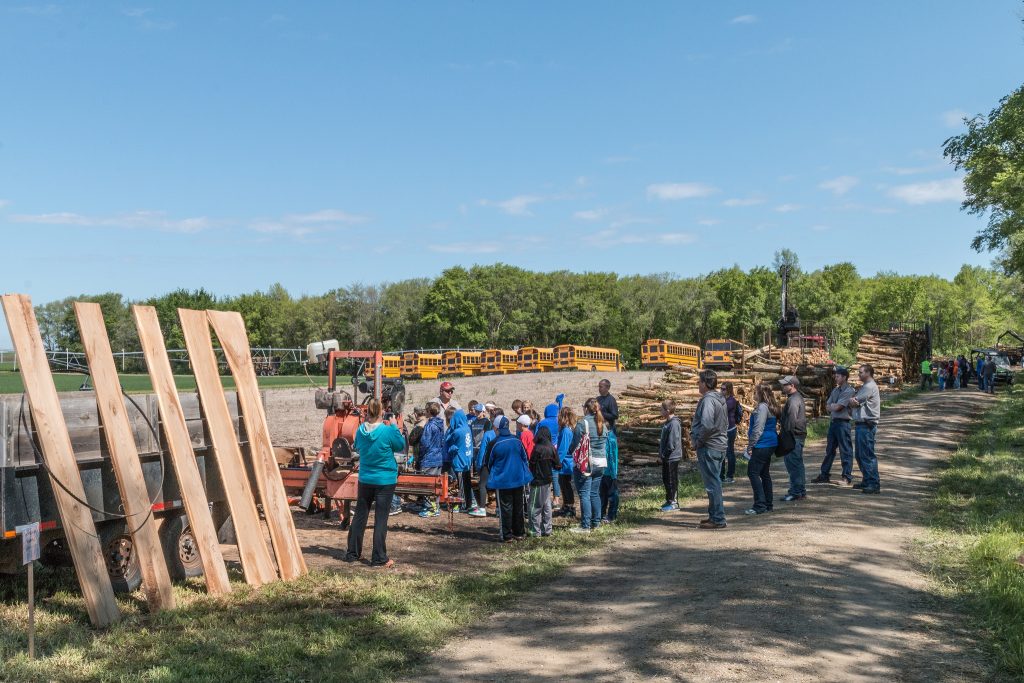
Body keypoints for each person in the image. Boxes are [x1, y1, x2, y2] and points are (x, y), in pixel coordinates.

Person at [345, 398, 405, 568]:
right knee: (381, 519)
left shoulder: (360, 431)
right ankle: (378, 557)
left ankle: (352, 553)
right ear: (382, 412)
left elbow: (357, 446)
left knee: (360, 516)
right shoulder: (387, 431)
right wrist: (394, 425)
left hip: (365, 478)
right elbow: (400, 445)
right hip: (385, 479)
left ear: (367, 412)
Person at [482, 415, 533, 541]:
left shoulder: (494, 443)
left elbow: (487, 462)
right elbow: (525, 458)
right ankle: (519, 533)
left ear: (497, 428)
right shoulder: (517, 440)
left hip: (502, 480)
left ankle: (507, 535)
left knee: (505, 508)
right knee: (518, 506)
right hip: (518, 479)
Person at [691, 369, 728, 529]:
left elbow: (707, 424)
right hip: (718, 445)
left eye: (699, 382)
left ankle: (718, 518)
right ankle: (713, 515)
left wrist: (699, 441)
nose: (698, 385)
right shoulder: (720, 399)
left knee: (713, 484)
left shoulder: (708, 401)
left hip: (709, 446)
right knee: (714, 482)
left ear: (706, 383)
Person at [569, 397, 608, 533]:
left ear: (586, 408)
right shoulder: (602, 423)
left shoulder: (583, 423)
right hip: (601, 462)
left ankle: (585, 525)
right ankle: (596, 522)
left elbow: (574, 443)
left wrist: (570, 453)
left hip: (587, 463)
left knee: (584, 493)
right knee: (594, 493)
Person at [812, 366, 855, 486]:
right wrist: (833, 406)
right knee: (829, 450)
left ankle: (846, 477)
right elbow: (827, 405)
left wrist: (833, 406)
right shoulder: (836, 390)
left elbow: (838, 407)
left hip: (843, 423)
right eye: (835, 376)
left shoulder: (849, 391)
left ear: (844, 377)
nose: (835, 378)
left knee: (845, 450)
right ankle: (824, 474)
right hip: (834, 423)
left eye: (837, 376)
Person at [744, 384, 780, 515]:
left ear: (760, 393)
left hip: (763, 443)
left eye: (755, 392)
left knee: (752, 472)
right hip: (770, 442)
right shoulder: (771, 406)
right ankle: (768, 504)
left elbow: (758, 428)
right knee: (764, 473)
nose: (754, 395)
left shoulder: (763, 407)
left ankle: (759, 504)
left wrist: (750, 445)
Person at [847, 364, 881, 494]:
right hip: (862, 424)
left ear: (868, 373)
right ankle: (867, 480)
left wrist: (852, 401)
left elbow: (854, 401)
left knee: (867, 454)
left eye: (861, 372)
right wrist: (852, 402)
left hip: (867, 424)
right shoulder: (865, 386)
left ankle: (873, 483)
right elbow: (853, 402)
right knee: (860, 455)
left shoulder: (869, 387)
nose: (858, 374)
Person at [778, 375, 808, 502]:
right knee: (797, 465)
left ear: (792, 386)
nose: (783, 386)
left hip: (793, 436)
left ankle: (796, 492)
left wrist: (784, 436)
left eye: (785, 384)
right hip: (796, 436)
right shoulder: (794, 398)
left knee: (793, 465)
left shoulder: (793, 400)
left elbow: (791, 420)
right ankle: (799, 491)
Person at [528, 426, 558, 537]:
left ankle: (534, 531)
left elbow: (531, 465)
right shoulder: (552, 448)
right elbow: (558, 465)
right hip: (548, 480)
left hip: (538, 481)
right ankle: (547, 530)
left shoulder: (537, 448)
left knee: (534, 507)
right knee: (547, 506)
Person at [472, 408, 502, 518]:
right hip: (499, 463)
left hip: (487, 463)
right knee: (498, 485)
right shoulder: (505, 433)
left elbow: (482, 450)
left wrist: (479, 464)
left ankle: (482, 508)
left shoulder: (489, 434)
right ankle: (499, 509)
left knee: (482, 485)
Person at [417, 402, 445, 517]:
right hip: (438, 457)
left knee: (428, 485)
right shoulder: (440, 424)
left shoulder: (429, 425)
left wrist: (421, 454)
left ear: (429, 412)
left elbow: (425, 443)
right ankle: (436, 507)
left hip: (429, 458)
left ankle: (430, 508)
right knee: (436, 485)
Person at [446, 409, 476, 514]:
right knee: (467, 484)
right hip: (467, 461)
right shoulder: (467, 428)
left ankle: (463, 505)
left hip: (460, 462)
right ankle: (469, 503)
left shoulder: (457, 431)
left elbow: (451, 445)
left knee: (462, 485)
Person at [659, 399, 683, 512]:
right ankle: (669, 499)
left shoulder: (674, 423)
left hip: (671, 457)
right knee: (666, 478)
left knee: (671, 479)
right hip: (667, 457)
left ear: (667, 411)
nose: (660, 411)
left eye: (662, 409)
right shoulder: (668, 422)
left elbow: (672, 442)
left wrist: (664, 453)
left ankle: (674, 502)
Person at [555, 407, 577, 518]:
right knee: (563, 483)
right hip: (566, 462)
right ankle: (566, 505)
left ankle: (570, 506)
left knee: (565, 484)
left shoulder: (566, 431)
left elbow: (562, 450)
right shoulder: (567, 429)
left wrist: (556, 461)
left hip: (565, 463)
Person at [720, 382, 742, 484]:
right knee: (722, 454)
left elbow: (721, 410)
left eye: (723, 389)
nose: (721, 391)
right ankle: (721, 476)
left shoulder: (731, 401)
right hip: (723, 430)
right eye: (721, 389)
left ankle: (730, 476)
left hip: (730, 430)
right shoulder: (723, 399)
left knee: (729, 453)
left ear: (728, 390)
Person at [600, 429, 619, 524]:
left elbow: (612, 456)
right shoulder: (603, 434)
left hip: (609, 471)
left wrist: (613, 473)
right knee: (602, 495)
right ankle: (601, 515)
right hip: (602, 470)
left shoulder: (610, 437)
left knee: (612, 494)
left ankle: (612, 515)